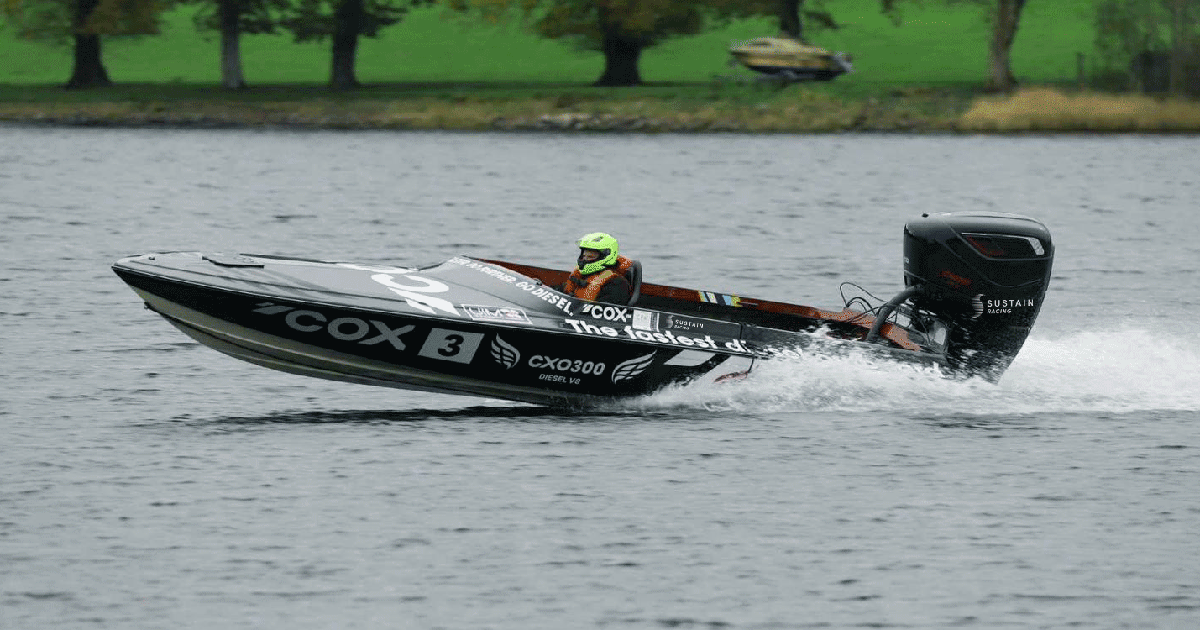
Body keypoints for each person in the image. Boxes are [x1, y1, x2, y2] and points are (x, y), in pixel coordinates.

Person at [560, 232, 633, 305]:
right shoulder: (581, 274)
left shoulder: (617, 283)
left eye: (590, 256)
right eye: (584, 256)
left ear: (605, 256)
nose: (585, 259)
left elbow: (605, 311)